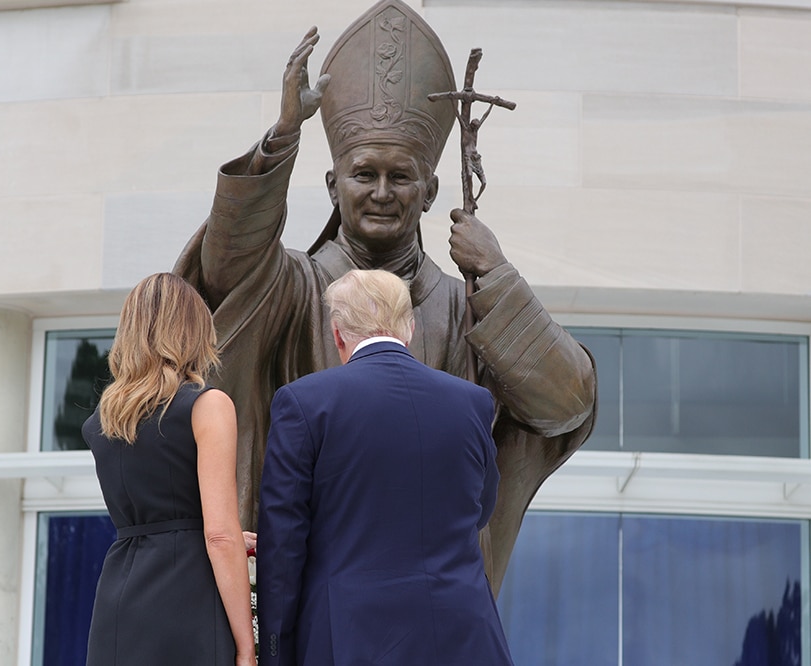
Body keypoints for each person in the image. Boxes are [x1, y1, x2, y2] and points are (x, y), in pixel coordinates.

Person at [174, 0, 596, 595]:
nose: (380, 192)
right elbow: (224, 268)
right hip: (307, 591)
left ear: (428, 192)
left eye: (400, 177)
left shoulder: (464, 305)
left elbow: (567, 404)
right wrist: (282, 137)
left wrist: (496, 276)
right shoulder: (290, 286)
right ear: (332, 183)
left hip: (431, 602)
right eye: (363, 173)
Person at [256, 269, 514, 665]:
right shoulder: (471, 403)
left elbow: (283, 548)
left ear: (337, 333)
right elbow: (481, 505)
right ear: (409, 328)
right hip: (464, 637)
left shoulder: (304, 403)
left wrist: (275, 652)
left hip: (350, 638)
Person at [81, 273, 256, 666]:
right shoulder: (207, 406)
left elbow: (158, 514)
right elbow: (220, 537)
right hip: (188, 602)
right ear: (195, 332)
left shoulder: (100, 424)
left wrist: (203, 530)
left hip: (117, 604)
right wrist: (246, 647)